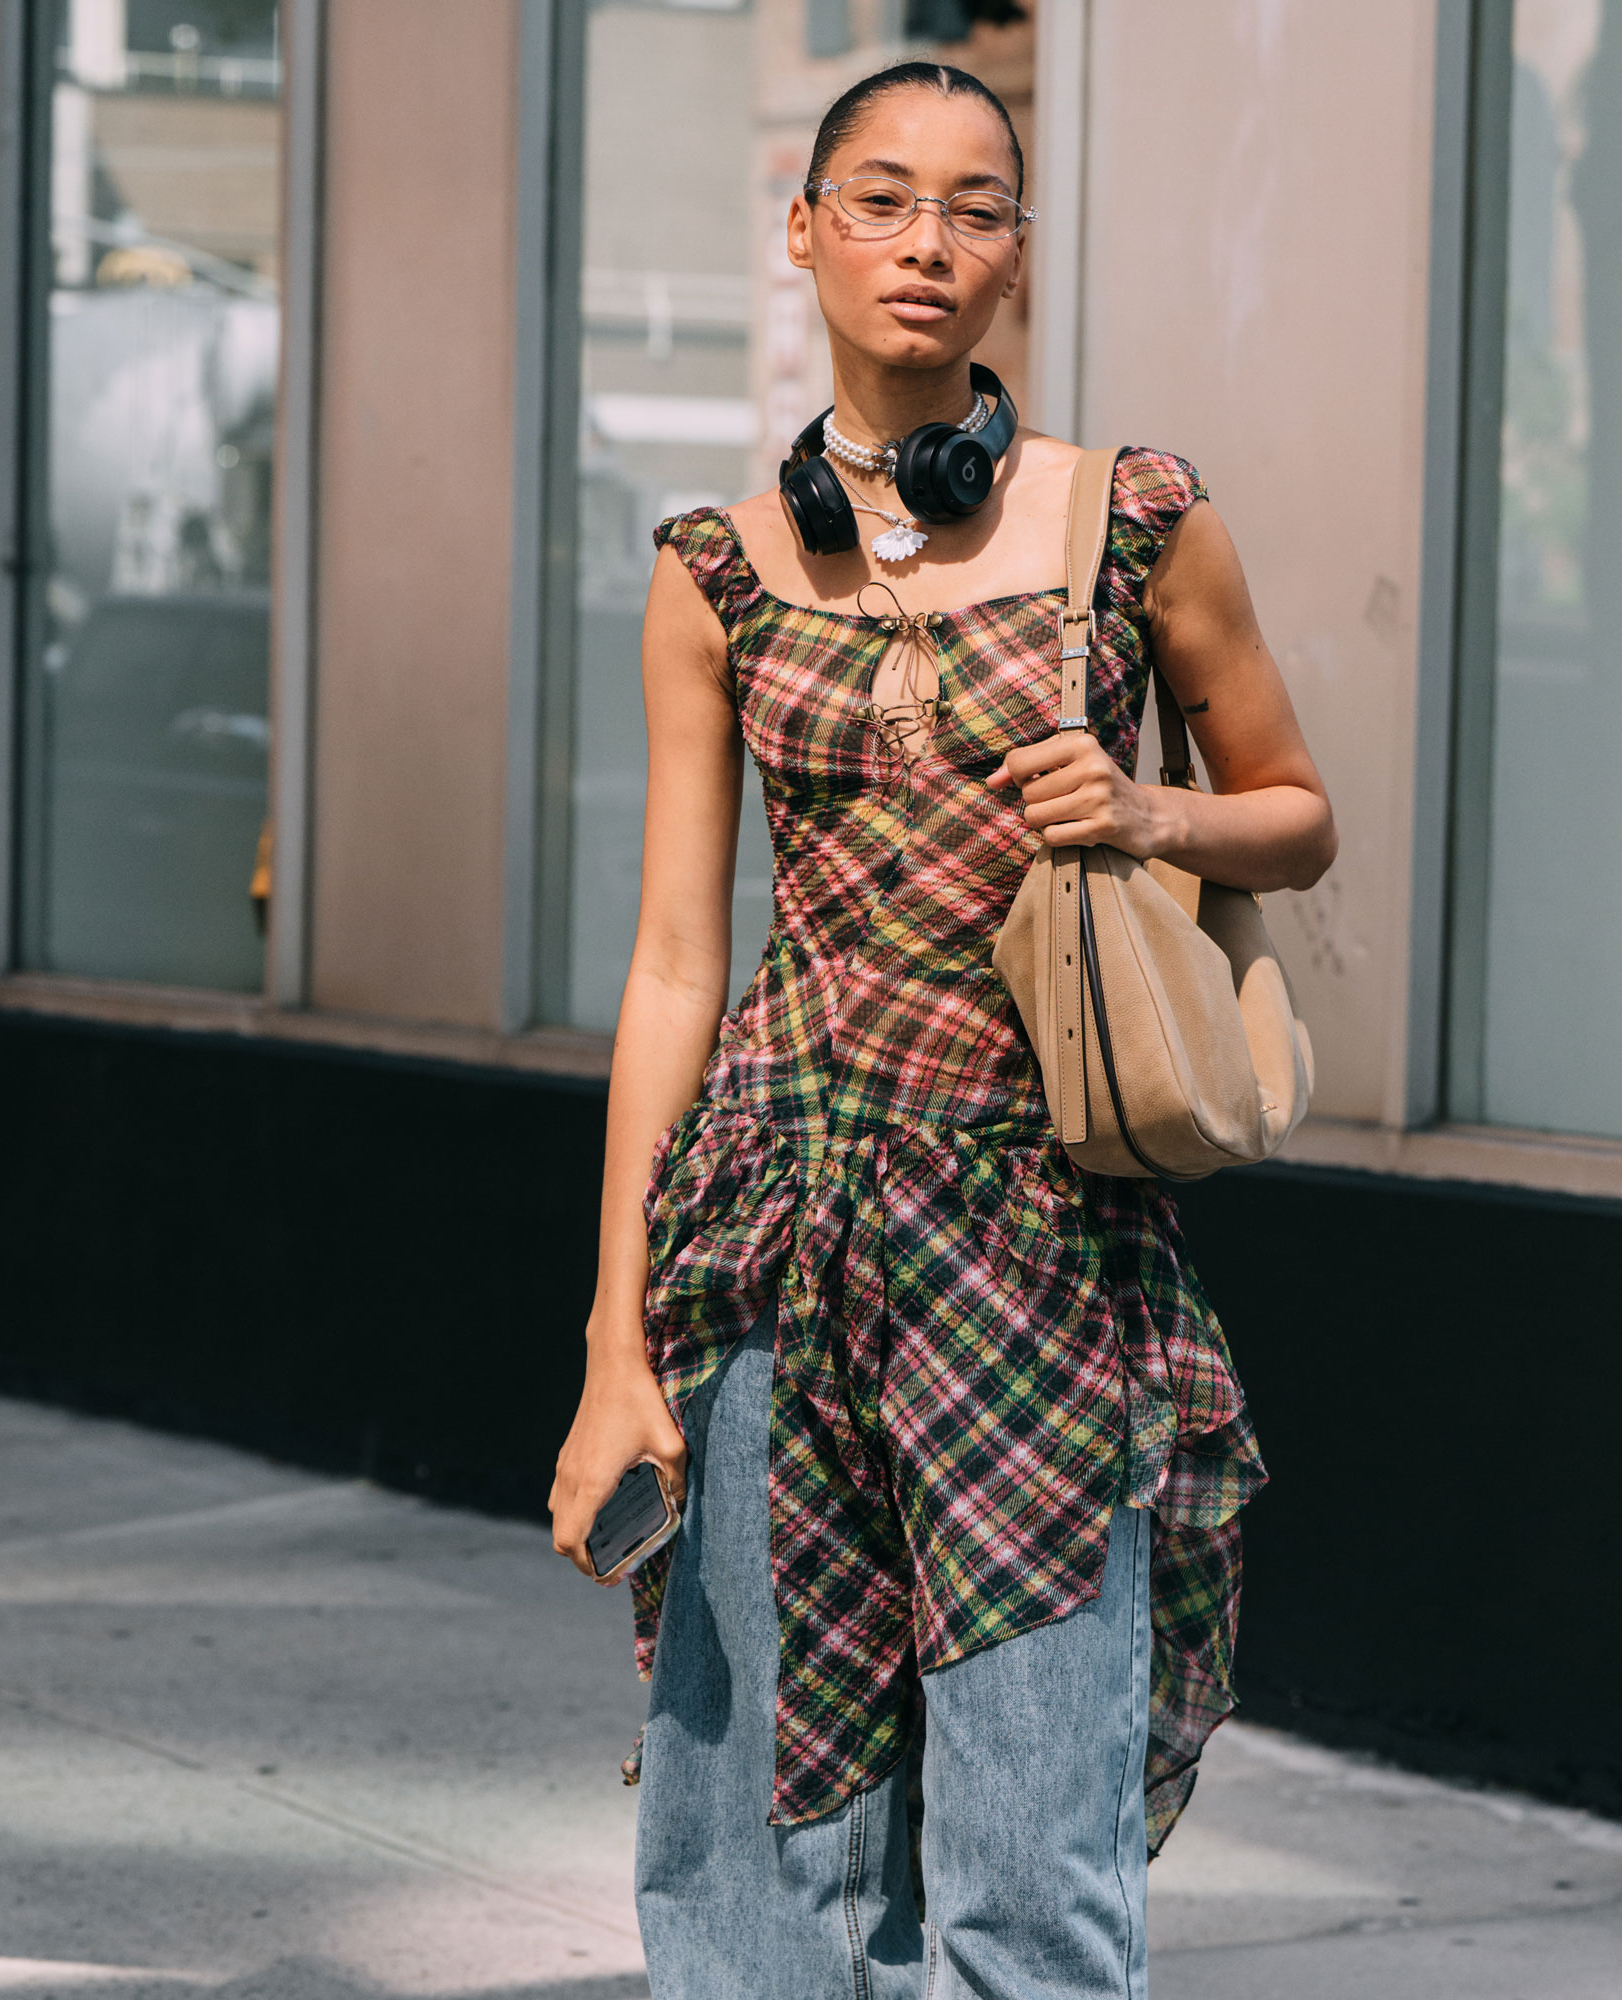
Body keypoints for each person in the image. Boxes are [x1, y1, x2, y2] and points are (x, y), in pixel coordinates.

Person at [548, 59, 1335, 2000]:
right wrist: (612, 1341)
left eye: (975, 207)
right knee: (752, 1840)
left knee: (1032, 1846)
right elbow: (674, 965)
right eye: (882, 199)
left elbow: (1295, 812)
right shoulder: (713, 572)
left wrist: (1145, 810)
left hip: (1035, 1240)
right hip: (768, 1237)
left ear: (1015, 259)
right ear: (803, 230)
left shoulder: (1131, 520)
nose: (927, 241)